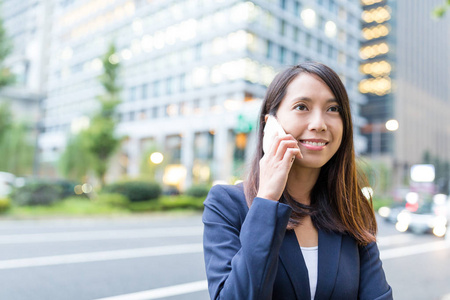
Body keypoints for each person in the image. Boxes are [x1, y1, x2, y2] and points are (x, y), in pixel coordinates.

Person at [202, 62, 393, 300]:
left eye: (333, 109)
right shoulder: (227, 204)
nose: (319, 124)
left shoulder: (352, 208)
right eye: (302, 107)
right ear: (270, 124)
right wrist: (267, 199)